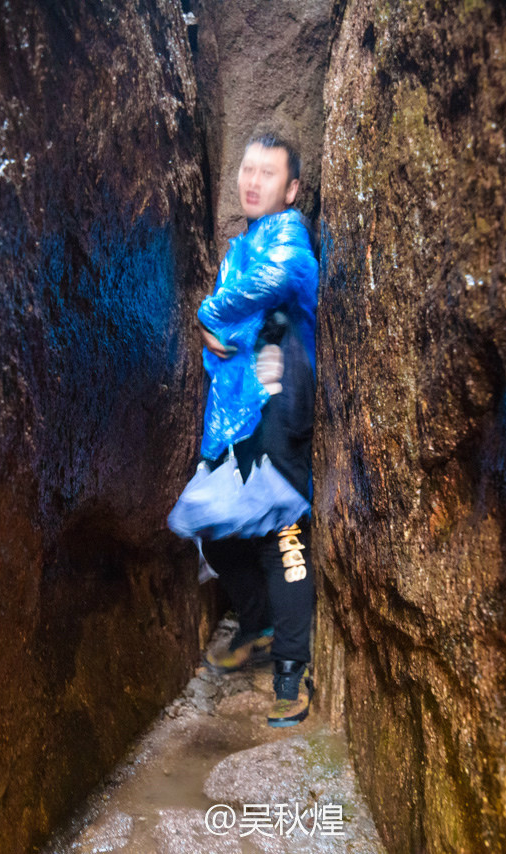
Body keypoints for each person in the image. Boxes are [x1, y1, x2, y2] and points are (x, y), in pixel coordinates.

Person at [195, 128, 318, 727]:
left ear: (291, 188)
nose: (252, 181)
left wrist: (210, 313)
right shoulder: (238, 248)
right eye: (247, 169)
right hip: (238, 408)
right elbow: (220, 342)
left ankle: (293, 671)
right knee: (216, 530)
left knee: (283, 536)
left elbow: (277, 281)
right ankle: (261, 622)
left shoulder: (288, 235)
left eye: (267, 173)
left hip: (280, 394)